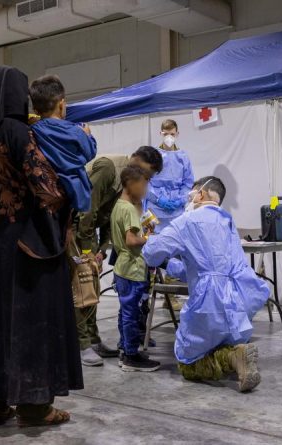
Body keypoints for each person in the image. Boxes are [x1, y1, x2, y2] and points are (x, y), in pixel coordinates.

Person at [0, 66, 83, 429]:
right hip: (31, 248)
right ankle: (34, 407)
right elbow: (45, 186)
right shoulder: (18, 132)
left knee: (2, 322)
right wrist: (73, 192)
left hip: (1, 246)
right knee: (33, 322)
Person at [142, 176, 267, 392]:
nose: (188, 199)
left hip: (209, 303)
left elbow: (152, 254)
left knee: (188, 363)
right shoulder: (227, 222)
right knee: (220, 339)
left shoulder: (187, 222)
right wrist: (170, 266)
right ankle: (235, 352)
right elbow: (203, 269)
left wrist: (151, 241)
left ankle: (231, 358)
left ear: (201, 193)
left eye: (191, 194)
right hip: (240, 300)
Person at [74, 146, 163, 367]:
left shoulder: (127, 189)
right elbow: (87, 209)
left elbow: (106, 216)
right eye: (146, 176)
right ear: (137, 161)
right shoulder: (108, 168)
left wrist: (102, 248)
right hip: (74, 231)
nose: (145, 182)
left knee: (92, 287)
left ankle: (93, 339)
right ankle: (82, 344)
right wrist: (87, 251)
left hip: (90, 234)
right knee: (81, 286)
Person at [111, 164, 160, 372]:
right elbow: (131, 240)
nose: (146, 190)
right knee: (132, 313)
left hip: (121, 268)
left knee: (126, 312)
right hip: (132, 268)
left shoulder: (119, 206)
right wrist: (148, 237)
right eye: (144, 186)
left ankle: (125, 349)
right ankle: (131, 355)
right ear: (131, 184)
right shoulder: (130, 209)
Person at [29, 74, 98, 213]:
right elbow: (90, 153)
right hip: (76, 194)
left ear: (36, 111)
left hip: (49, 191)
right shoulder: (75, 131)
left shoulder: (34, 130)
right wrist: (88, 135)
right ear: (61, 104)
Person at [146, 119, 194, 311]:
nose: (169, 137)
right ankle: (146, 295)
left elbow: (188, 182)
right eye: (166, 133)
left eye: (172, 133)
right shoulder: (152, 156)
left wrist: (181, 199)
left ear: (177, 133)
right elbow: (147, 181)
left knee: (176, 251)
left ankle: (170, 296)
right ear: (160, 133)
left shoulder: (183, 157)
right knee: (152, 248)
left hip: (176, 211)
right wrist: (158, 200)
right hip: (156, 209)